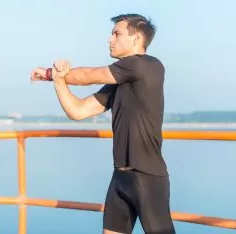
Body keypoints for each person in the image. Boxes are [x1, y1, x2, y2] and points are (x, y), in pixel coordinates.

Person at [30, 13, 176, 234]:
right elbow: (77, 111)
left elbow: (89, 75)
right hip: (120, 177)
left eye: (116, 34)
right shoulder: (119, 83)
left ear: (136, 38)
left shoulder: (146, 65)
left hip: (147, 176)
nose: (110, 39)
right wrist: (59, 82)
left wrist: (52, 73)